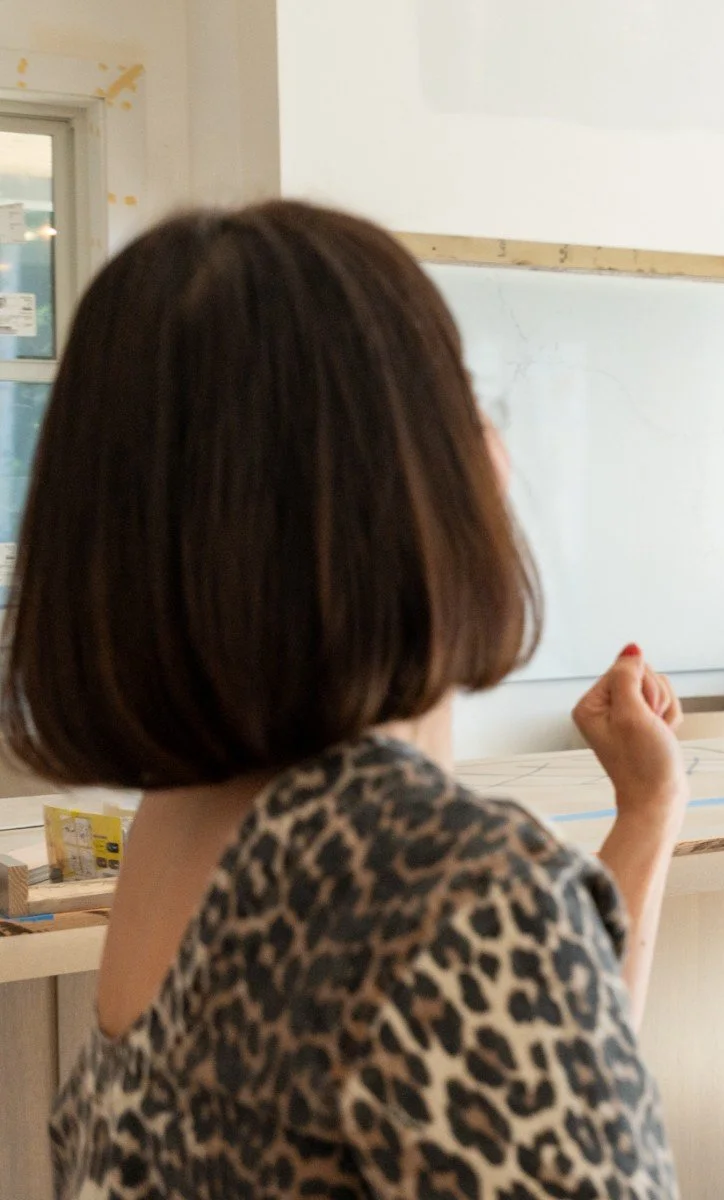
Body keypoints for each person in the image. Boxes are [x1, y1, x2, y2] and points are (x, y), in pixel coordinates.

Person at [2, 201, 684, 1198]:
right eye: (461, 398)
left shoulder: (181, 826)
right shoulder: (453, 890)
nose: (495, 445)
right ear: (389, 487)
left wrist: (647, 812)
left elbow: (519, 1083)